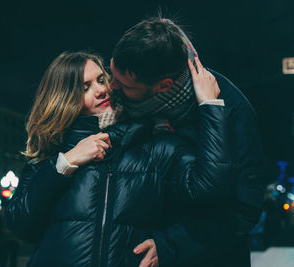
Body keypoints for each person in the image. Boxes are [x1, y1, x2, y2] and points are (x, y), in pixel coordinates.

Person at [5, 50, 232, 266]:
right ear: (63, 99)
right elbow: (21, 226)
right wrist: (66, 162)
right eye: (85, 87)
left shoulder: (151, 145)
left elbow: (212, 190)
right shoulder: (52, 155)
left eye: (101, 80)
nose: (100, 90)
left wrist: (210, 106)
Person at [109, 17, 264, 266]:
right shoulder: (122, 103)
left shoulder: (228, 108)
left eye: (124, 84)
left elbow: (244, 207)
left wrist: (171, 245)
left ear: (164, 85)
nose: (111, 86)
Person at [0, 197, 20, 267]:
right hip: (14, 239)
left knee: (3, 261)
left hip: (3, 240)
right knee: (13, 261)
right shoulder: (14, 212)